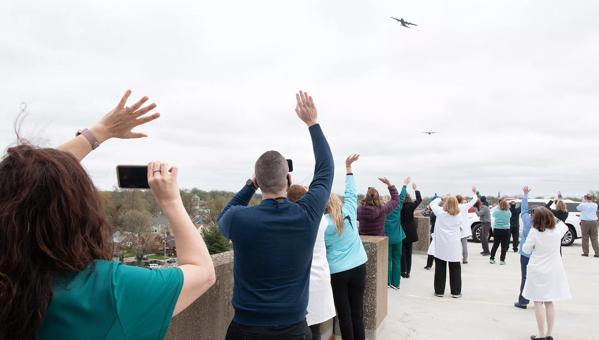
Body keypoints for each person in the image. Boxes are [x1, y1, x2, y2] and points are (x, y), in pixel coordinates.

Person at [0, 91, 216, 340]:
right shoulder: (110, 290)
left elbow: (26, 187)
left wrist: (98, 132)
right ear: (80, 214)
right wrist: (171, 200)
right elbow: (203, 272)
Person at [217, 91, 334, 339]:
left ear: (258, 182)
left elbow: (224, 215)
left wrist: (250, 186)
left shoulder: (239, 219)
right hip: (294, 329)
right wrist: (312, 123)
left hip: (246, 330)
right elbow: (325, 170)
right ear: (289, 179)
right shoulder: (307, 215)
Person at [324, 154, 368, 340]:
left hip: (337, 271)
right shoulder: (349, 209)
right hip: (359, 266)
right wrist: (348, 168)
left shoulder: (323, 224)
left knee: (344, 315)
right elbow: (351, 191)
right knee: (357, 313)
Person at [287, 184, 335, 340]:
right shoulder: (320, 219)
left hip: (300, 286)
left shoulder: (290, 221)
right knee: (315, 331)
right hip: (319, 281)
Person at [522, 207, 571, 340]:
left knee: (538, 301)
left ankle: (541, 334)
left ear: (536, 219)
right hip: (553, 269)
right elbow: (564, 225)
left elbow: (525, 249)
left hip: (537, 270)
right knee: (549, 302)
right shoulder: (557, 231)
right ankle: (549, 333)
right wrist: (552, 216)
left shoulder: (534, 232)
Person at [429, 187, 478, 298]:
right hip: (454, 245)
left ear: (445, 203)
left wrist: (441, 198)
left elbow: (432, 204)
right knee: (455, 268)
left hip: (441, 245)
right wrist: (475, 193)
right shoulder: (459, 214)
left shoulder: (440, 212)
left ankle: (439, 291)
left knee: (440, 268)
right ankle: (455, 292)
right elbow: (473, 201)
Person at [385, 176, 410, 289]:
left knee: (388, 260)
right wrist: (404, 185)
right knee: (397, 260)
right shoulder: (397, 207)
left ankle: (388, 281)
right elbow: (402, 196)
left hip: (387, 238)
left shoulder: (383, 210)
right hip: (398, 237)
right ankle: (396, 283)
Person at [515, 186, 533, 310]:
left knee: (525, 277)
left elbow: (524, 209)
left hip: (526, 254)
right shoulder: (546, 226)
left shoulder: (528, 222)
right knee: (539, 278)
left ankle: (523, 301)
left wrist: (525, 195)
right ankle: (540, 300)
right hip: (539, 255)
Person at [400, 182, 422, 277]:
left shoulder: (399, 207)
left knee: (402, 253)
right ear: (409, 198)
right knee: (409, 253)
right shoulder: (411, 206)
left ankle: (403, 271)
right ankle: (408, 272)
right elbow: (419, 200)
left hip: (401, 232)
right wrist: (415, 189)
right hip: (410, 232)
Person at [457, 194, 478, 264]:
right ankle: (465, 259)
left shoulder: (454, 207)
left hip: (456, 228)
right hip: (464, 229)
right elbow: (473, 201)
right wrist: (474, 193)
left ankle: (456, 258)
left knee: (456, 245)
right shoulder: (464, 206)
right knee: (464, 245)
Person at [490, 199, 512, 265]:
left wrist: (498, 206)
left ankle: (492, 258)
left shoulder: (496, 211)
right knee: (504, 246)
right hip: (506, 230)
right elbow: (510, 216)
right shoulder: (508, 212)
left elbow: (493, 215)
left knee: (495, 245)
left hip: (497, 229)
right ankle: (502, 260)